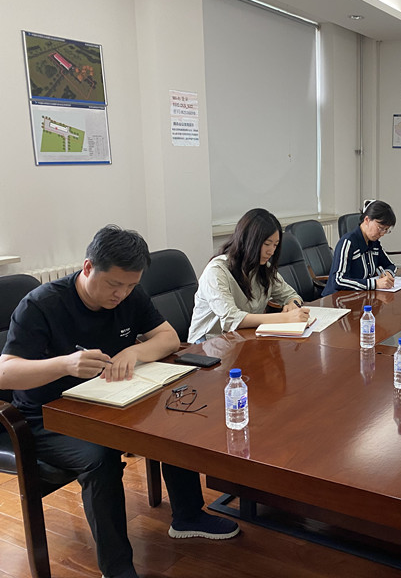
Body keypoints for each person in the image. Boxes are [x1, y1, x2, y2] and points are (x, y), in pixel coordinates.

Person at [0, 226, 239, 578]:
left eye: (130, 286)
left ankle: (187, 515)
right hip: (49, 414)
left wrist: (134, 352)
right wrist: (65, 365)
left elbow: (168, 337)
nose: (121, 294)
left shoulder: (129, 293)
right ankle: (116, 569)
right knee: (101, 458)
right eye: (114, 285)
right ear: (87, 267)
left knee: (174, 419)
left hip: (108, 399)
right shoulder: (41, 305)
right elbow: (5, 372)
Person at [188, 208, 309, 343]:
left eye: (275, 245)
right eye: (267, 244)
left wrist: (293, 304)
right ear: (248, 240)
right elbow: (231, 318)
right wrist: (285, 318)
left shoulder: (263, 268)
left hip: (243, 338)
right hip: (208, 343)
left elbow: (291, 295)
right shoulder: (217, 271)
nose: (271, 251)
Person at [322, 200, 397, 296]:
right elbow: (338, 280)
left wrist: (388, 273)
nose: (382, 234)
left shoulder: (374, 242)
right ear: (367, 220)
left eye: (386, 230)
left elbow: (390, 265)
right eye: (380, 228)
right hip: (337, 298)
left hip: (360, 296)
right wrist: (374, 284)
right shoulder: (348, 242)